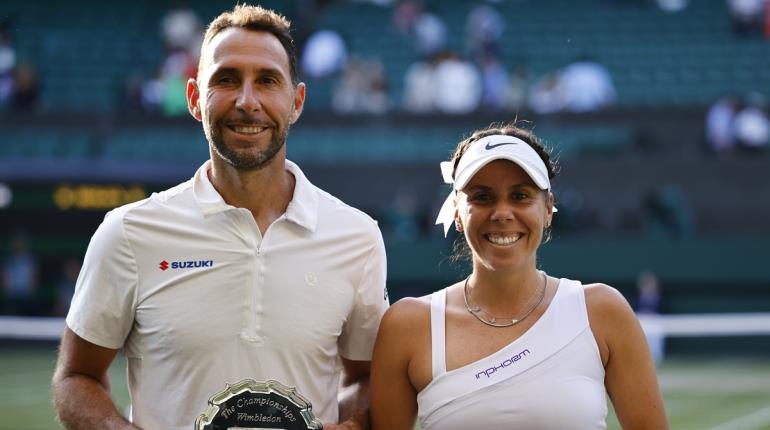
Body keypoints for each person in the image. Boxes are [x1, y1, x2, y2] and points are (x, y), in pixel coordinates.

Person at [52, 4, 388, 430]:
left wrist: (353, 426)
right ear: (194, 98)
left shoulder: (356, 236)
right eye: (226, 80)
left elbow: (365, 378)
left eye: (267, 81)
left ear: (296, 101)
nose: (248, 101)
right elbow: (76, 376)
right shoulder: (128, 232)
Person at [370, 123, 668, 429]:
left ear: (548, 208)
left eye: (521, 195)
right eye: (482, 196)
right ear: (457, 212)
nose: (502, 212)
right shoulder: (406, 326)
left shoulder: (603, 311)